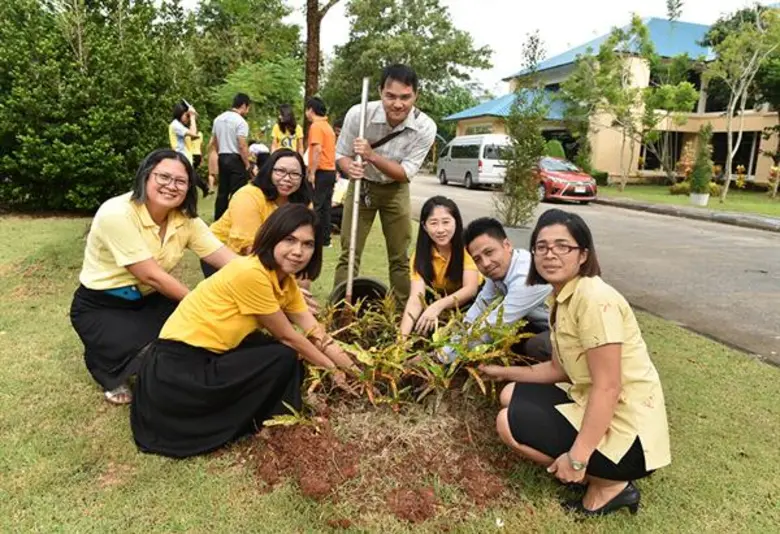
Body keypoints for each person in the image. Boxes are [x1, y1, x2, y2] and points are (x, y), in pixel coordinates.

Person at [480, 209, 671, 516]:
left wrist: (578, 458)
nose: (550, 254)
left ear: (583, 254)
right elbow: (557, 369)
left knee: (507, 424)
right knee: (509, 393)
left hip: (628, 434)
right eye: (541, 247)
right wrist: (500, 371)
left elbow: (608, 388)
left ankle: (611, 486)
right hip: (593, 401)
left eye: (562, 246)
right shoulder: (563, 297)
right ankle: (593, 468)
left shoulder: (594, 300)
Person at [130, 204, 358, 458]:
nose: (298, 251)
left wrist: (356, 371)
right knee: (283, 353)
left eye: (308, 244)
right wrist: (334, 370)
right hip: (177, 373)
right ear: (272, 238)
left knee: (269, 347)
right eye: (290, 240)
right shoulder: (251, 273)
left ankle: (275, 417)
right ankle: (272, 421)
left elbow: (316, 333)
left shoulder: (285, 282)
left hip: (206, 357)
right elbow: (289, 337)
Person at [70, 149, 236, 405]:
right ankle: (104, 363)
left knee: (189, 343)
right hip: (101, 305)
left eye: (181, 181)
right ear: (146, 176)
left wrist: (270, 280)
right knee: (151, 357)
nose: (172, 186)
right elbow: (151, 275)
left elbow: (226, 258)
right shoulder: (116, 212)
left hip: (149, 300)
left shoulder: (186, 220)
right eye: (163, 177)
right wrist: (200, 303)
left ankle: (120, 349)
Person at [332, 64, 437, 305]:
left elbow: (405, 173)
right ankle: (337, 309)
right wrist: (349, 167)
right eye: (390, 96)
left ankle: (401, 313)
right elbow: (341, 155)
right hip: (362, 186)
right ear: (380, 92)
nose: (397, 104)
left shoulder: (425, 127)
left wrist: (371, 156)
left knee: (400, 257)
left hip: (395, 189)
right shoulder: (358, 115)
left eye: (405, 97)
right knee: (348, 253)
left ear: (415, 95)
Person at [439, 217, 552, 363]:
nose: (485, 263)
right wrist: (445, 345)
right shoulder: (499, 272)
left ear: (507, 245)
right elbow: (479, 310)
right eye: (477, 259)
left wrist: (441, 358)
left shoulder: (526, 277)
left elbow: (492, 326)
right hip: (540, 324)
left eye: (489, 252)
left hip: (574, 334)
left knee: (535, 346)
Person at [206, 149, 312, 273]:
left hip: (268, 254)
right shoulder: (248, 195)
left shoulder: (302, 203)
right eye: (280, 171)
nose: (287, 178)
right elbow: (249, 249)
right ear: (269, 171)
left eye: (295, 174)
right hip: (225, 252)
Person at [400, 196, 480, 337]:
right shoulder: (420, 256)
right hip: (442, 301)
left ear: (456, 222)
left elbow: (470, 289)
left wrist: (437, 306)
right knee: (421, 328)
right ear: (424, 226)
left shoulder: (467, 248)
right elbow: (415, 300)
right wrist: (401, 340)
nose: (440, 229)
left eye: (446, 222)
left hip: (472, 302)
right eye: (434, 223)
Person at [211, 93, 252, 220]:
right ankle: (235, 218)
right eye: (248, 107)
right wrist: (247, 164)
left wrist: (220, 154)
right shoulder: (241, 122)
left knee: (222, 192)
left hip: (222, 157)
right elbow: (242, 145)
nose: (247, 111)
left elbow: (215, 141)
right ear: (244, 105)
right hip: (236, 159)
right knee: (237, 193)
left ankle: (218, 219)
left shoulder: (218, 119)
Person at [305, 97, 337, 247]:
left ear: (311, 110)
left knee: (316, 206)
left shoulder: (316, 126)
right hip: (330, 170)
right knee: (325, 207)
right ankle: (325, 239)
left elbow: (317, 149)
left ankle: (315, 238)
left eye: (307, 110)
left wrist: (312, 171)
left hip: (321, 170)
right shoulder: (328, 127)